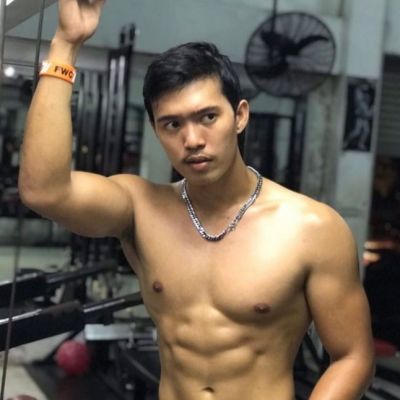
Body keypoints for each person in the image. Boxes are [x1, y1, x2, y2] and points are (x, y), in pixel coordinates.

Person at [19, 0, 375, 399]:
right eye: (172, 124)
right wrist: (66, 43)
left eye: (208, 117)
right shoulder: (140, 208)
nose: (192, 140)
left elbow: (352, 356)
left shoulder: (313, 229)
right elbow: (44, 191)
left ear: (240, 116)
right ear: (156, 130)